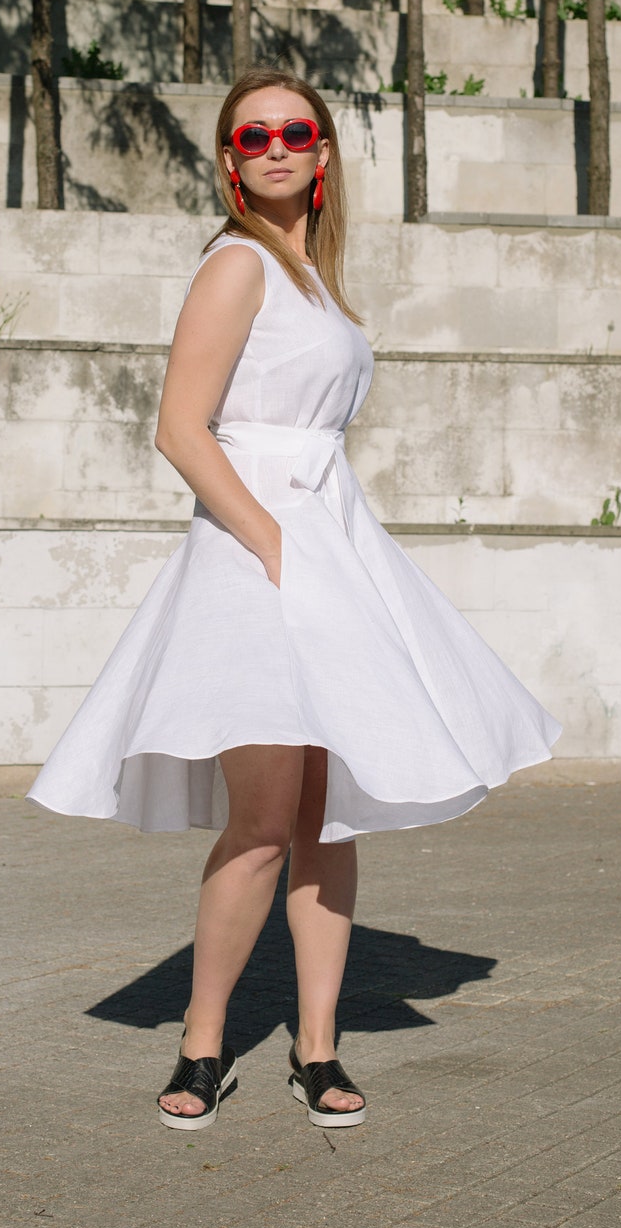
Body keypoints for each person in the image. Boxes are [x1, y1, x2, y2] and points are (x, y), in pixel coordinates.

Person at [28, 68, 561, 1131]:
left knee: (328, 815)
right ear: (232, 164)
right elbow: (181, 428)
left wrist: (317, 549)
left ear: (322, 154)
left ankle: (317, 1048)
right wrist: (275, 547)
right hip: (257, 551)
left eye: (295, 131)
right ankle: (202, 1042)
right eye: (252, 136)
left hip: (328, 541)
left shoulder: (313, 277)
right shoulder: (236, 264)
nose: (275, 146)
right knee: (266, 822)